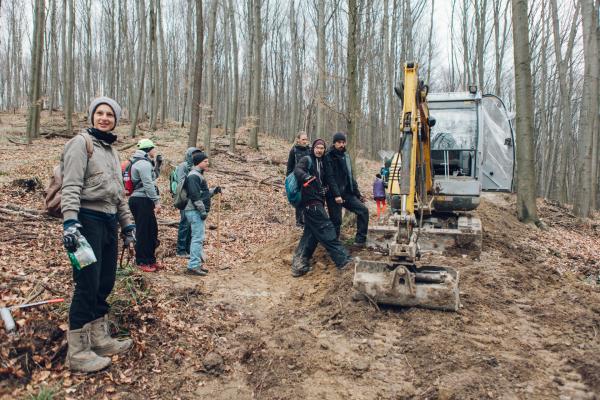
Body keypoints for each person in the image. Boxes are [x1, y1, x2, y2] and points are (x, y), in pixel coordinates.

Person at [61, 97, 135, 372]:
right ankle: (78, 352)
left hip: (108, 221)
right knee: (87, 284)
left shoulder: (113, 151)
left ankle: (100, 339)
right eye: (99, 113)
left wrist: (128, 226)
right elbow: (70, 184)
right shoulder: (81, 143)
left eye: (110, 114)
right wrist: (70, 222)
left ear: (116, 120)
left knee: (105, 281)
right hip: (85, 220)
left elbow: (119, 195)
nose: (104, 117)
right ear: (92, 116)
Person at [292, 139, 352, 277]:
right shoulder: (307, 159)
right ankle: (344, 260)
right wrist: (306, 177)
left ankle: (299, 264)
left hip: (317, 201)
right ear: (313, 148)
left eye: (322, 148)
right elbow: (297, 170)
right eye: (317, 147)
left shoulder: (323, 163)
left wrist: (326, 189)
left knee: (311, 233)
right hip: (309, 202)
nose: (319, 150)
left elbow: (327, 179)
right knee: (326, 228)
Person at [324, 132, 369, 246]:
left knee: (363, 211)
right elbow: (330, 177)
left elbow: (350, 176)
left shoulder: (346, 155)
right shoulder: (328, 156)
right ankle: (334, 246)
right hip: (333, 195)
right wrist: (336, 195)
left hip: (346, 193)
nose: (342, 144)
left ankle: (360, 240)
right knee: (336, 221)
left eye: (343, 142)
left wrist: (358, 194)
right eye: (339, 142)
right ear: (334, 143)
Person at [184, 152, 222, 275]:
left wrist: (213, 191)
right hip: (195, 211)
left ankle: (197, 264)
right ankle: (193, 266)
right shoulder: (193, 176)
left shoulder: (198, 175)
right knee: (197, 239)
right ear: (198, 162)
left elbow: (202, 194)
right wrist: (202, 210)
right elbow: (195, 196)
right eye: (205, 161)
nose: (207, 163)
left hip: (195, 211)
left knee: (198, 238)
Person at [129, 139, 161, 272]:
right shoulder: (143, 164)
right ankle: (142, 261)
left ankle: (150, 260)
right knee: (143, 232)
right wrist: (156, 201)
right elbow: (148, 184)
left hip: (143, 200)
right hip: (141, 200)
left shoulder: (145, 163)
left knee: (151, 231)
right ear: (149, 149)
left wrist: (158, 165)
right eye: (154, 148)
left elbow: (153, 178)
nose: (155, 151)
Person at [174, 147, 202, 258]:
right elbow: (181, 182)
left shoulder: (196, 167)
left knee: (191, 225)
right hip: (185, 199)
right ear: (189, 155)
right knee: (184, 224)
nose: (195, 156)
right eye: (193, 154)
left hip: (194, 199)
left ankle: (188, 249)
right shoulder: (184, 166)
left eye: (197, 154)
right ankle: (180, 250)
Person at [286, 132, 311, 227]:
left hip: (309, 179)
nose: (305, 141)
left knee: (309, 200)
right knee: (299, 201)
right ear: (298, 140)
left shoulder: (310, 150)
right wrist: (290, 182)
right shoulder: (294, 151)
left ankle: (308, 221)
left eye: (306, 139)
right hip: (298, 180)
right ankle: (299, 222)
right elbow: (289, 167)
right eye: (303, 139)